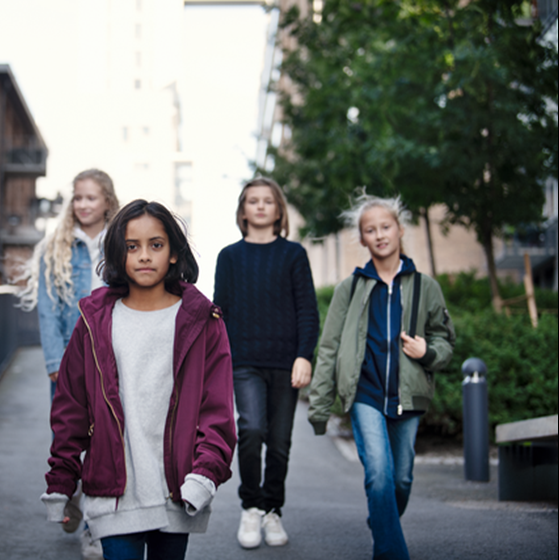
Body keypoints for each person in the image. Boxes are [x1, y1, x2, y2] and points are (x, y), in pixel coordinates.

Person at [41, 199, 237, 560]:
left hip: (177, 492)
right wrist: (61, 480)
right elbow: (71, 407)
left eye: (156, 245)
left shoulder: (203, 321)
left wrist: (205, 474)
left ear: (174, 254)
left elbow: (218, 411)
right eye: (132, 247)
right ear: (119, 254)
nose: (144, 255)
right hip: (112, 496)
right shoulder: (94, 321)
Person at [308, 194, 456, 560]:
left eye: (385, 226)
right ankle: (391, 553)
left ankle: (381, 519)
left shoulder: (425, 286)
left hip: (408, 396)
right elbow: (328, 347)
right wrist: (320, 405)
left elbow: (445, 338)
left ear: (400, 230)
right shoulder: (350, 289)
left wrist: (428, 352)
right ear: (361, 239)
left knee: (400, 480)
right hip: (365, 394)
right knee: (379, 475)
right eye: (369, 230)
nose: (379, 234)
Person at [213, 177, 319, 549]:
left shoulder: (293, 255)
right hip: (244, 362)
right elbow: (219, 311)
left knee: (279, 443)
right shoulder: (228, 257)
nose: (260, 206)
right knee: (252, 429)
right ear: (242, 211)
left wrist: (304, 355)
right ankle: (251, 509)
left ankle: (273, 511)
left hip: (285, 362)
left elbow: (307, 309)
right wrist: (218, 361)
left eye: (267, 201)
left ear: (278, 210)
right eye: (252, 201)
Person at [17, 169, 119, 558]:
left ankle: (94, 527)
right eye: (77, 198)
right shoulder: (53, 247)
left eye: (91, 198)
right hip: (69, 362)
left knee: (105, 444)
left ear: (107, 200)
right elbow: (47, 309)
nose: (83, 205)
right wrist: (54, 360)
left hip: (110, 359)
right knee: (71, 440)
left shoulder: (122, 241)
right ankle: (74, 496)